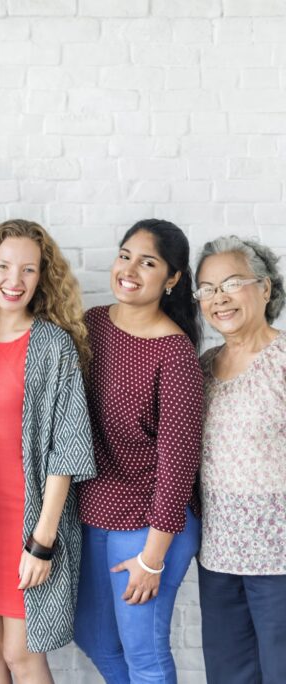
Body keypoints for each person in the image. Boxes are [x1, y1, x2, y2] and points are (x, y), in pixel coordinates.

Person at [0, 220, 95, 681]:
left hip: (29, 522)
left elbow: (67, 449)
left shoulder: (53, 345)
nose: (14, 281)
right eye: (4, 267)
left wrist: (42, 542)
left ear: (42, 278)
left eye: (28, 270)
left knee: (24, 656)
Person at [73, 219, 204, 683]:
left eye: (147, 262)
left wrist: (152, 558)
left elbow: (178, 466)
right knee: (94, 638)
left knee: (144, 653)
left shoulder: (176, 354)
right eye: (125, 255)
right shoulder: (91, 324)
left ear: (172, 280)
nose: (129, 269)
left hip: (152, 522)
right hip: (96, 513)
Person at [193, 236, 286, 684]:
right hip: (219, 556)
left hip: (280, 561)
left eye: (231, 283)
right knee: (228, 676)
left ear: (265, 289)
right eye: (207, 289)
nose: (218, 298)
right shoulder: (204, 366)